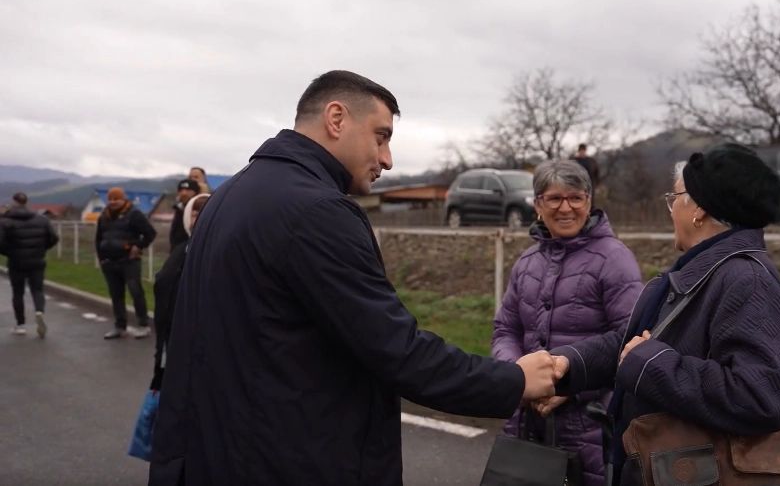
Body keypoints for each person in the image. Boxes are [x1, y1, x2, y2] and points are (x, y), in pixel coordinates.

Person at [149, 70, 559, 486]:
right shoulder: (315, 212)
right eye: (381, 137)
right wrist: (514, 379)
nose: (387, 159)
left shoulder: (233, 195)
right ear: (336, 118)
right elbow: (396, 349)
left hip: (220, 453)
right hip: (290, 460)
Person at [546, 143, 780, 485]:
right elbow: (634, 347)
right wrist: (570, 364)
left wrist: (655, 365)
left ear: (698, 209)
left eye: (675, 197)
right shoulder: (700, 272)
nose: (671, 210)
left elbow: (762, 396)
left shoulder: (746, 279)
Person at [492, 159, 642, 486]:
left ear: (589, 202)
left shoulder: (614, 259)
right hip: (524, 418)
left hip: (588, 423)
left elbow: (630, 341)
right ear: (537, 206)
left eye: (576, 198)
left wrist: (571, 386)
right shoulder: (526, 262)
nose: (566, 208)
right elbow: (506, 329)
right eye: (554, 198)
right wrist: (518, 376)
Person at [151, 193, 209, 392]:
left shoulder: (218, 251)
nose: (198, 217)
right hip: (171, 339)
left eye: (204, 211)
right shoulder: (180, 250)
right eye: (194, 213)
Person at [96, 187, 156, 340]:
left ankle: (143, 325)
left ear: (123, 199)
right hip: (109, 262)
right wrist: (101, 258)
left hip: (129, 261)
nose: (113, 202)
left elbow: (150, 233)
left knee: (136, 292)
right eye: (110, 199)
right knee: (116, 295)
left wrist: (138, 245)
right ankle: (119, 326)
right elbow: (99, 238)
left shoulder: (134, 214)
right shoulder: (103, 216)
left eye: (116, 199)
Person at [0, 192, 59, 338]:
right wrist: (41, 249)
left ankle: (20, 325)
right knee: (38, 289)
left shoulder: (5, 221)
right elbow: (54, 238)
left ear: (14, 202)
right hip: (37, 260)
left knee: (18, 292)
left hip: (16, 261)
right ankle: (39, 311)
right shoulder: (42, 219)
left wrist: (9, 252)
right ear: (26, 202)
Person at [168, 179, 200, 249]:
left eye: (188, 190)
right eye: (181, 190)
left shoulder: (202, 210)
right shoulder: (178, 210)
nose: (184, 193)